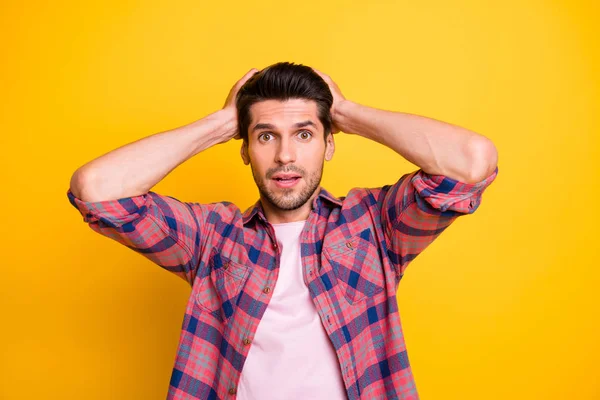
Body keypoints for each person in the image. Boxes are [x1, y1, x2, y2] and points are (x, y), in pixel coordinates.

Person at [67, 62, 499, 400]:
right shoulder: (212, 237)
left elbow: (472, 162)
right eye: (266, 136)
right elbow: (96, 190)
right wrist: (220, 123)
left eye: (305, 134)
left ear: (330, 143)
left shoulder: (374, 225)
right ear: (245, 148)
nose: (285, 155)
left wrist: (346, 112)